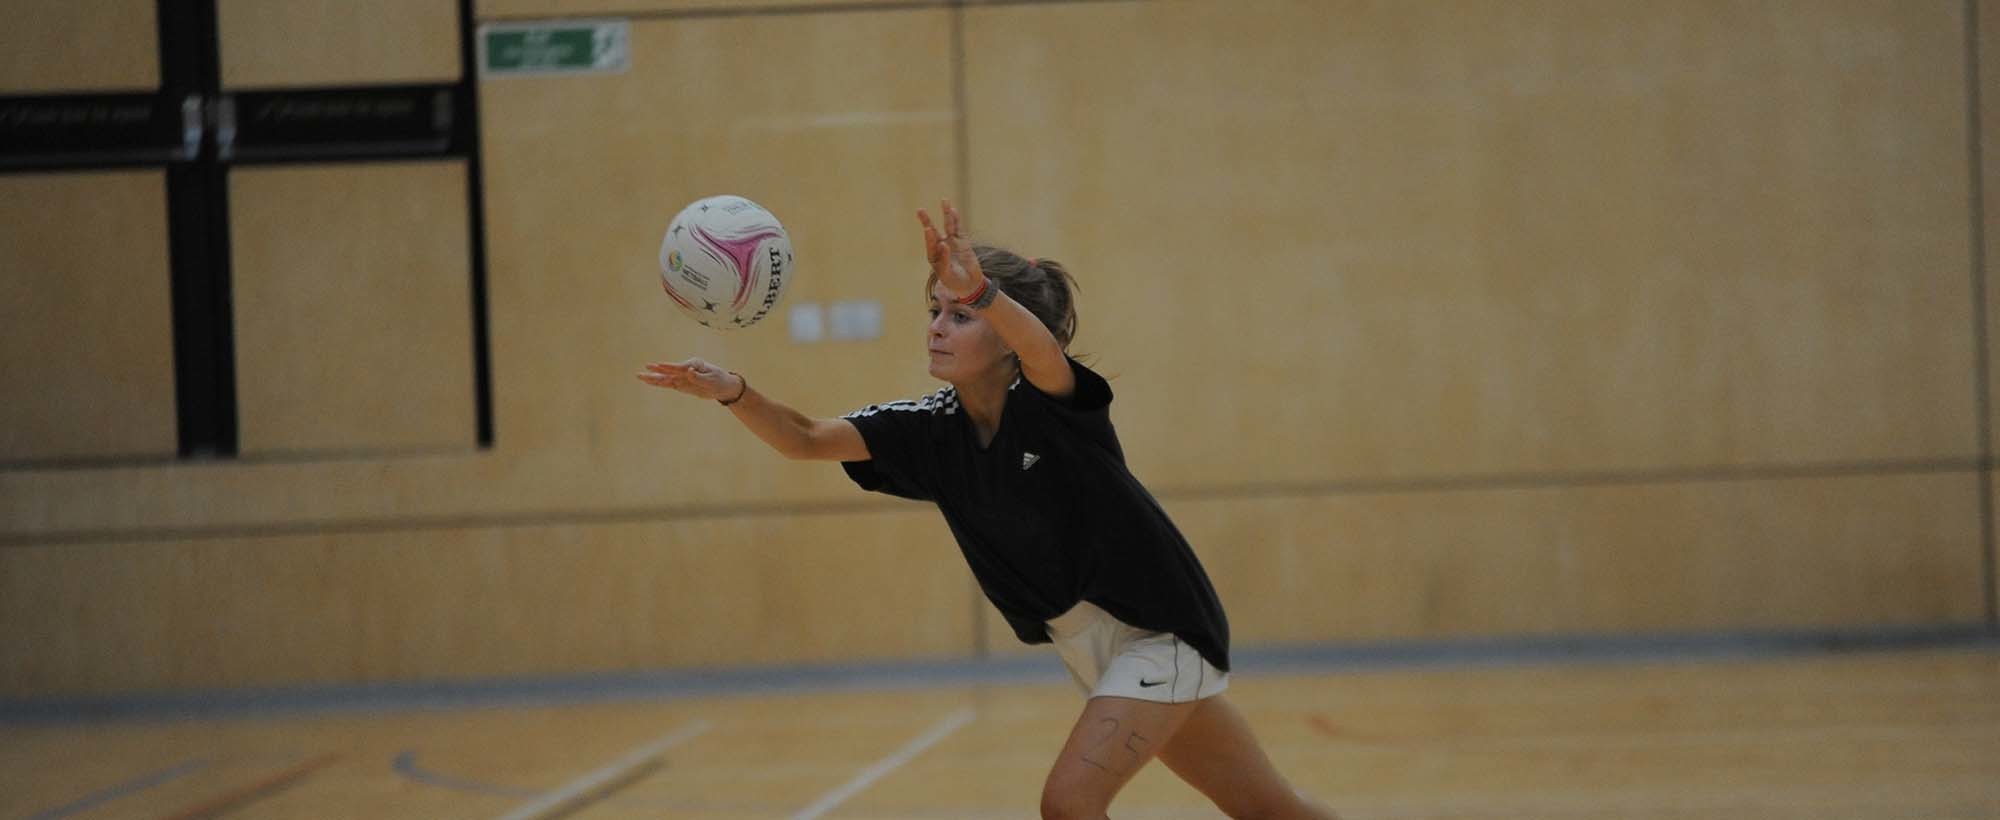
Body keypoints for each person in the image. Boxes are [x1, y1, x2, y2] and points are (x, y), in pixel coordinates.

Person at [638, 201, 1338, 820]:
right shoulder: (926, 432)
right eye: (936, 311)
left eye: (962, 315)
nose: (939, 327)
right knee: (1268, 809)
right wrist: (735, 392)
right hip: (1089, 646)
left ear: (1006, 333)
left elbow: (1040, 347)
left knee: (1069, 803)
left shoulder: (1055, 406)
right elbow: (807, 439)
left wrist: (986, 290)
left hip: (1161, 631)